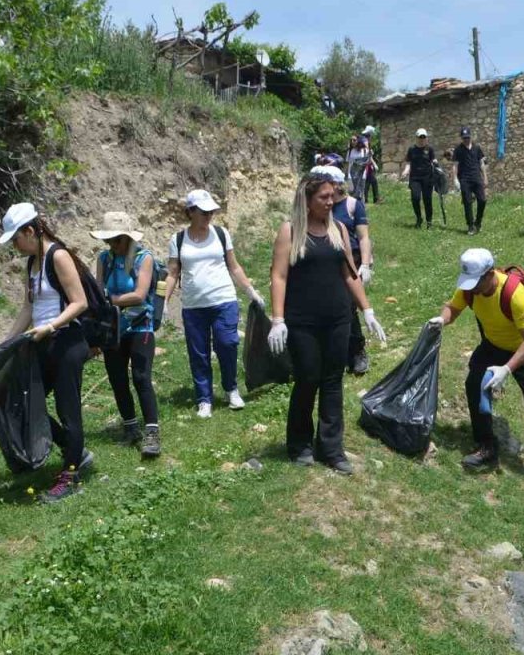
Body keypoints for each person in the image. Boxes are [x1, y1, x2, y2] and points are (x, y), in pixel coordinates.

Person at [268, 168, 387, 474]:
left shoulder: (339, 231)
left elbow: (349, 273)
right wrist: (278, 318)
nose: (330, 201)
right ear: (307, 200)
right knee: (308, 379)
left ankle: (331, 448)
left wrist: (367, 310)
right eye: (324, 196)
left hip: (337, 319)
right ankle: (300, 444)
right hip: (302, 321)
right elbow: (279, 276)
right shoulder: (290, 231)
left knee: (333, 381)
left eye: (333, 195)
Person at [427, 248, 524, 491]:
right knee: (474, 386)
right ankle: (486, 445)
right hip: (493, 345)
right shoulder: (470, 288)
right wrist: (442, 319)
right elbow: (453, 308)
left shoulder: (513, 293)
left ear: (490, 274)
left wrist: (506, 369)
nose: (472, 288)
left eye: (477, 282)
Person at [0, 202, 94, 503]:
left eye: (16, 238)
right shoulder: (31, 263)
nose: (15, 245)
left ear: (30, 230)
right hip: (41, 342)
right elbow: (29, 307)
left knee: (69, 411)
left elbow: (79, 303)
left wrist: (51, 326)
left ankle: (70, 475)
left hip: (67, 342)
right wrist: (6, 344)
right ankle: (74, 449)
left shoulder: (59, 255)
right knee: (27, 404)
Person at [163, 190, 263, 419]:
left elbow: (234, 266)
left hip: (223, 299)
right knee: (198, 353)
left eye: (211, 211)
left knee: (227, 343)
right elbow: (172, 273)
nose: (209, 215)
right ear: (190, 212)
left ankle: (231, 389)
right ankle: (204, 398)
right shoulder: (178, 240)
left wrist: (250, 290)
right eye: (203, 211)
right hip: (193, 306)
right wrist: (164, 303)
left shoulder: (221, 233)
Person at [92, 212, 161, 458]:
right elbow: (97, 288)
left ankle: (152, 433)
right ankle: (130, 427)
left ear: (128, 239)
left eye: (117, 240)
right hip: (114, 328)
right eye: (109, 241)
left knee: (142, 377)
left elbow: (140, 295)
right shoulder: (104, 259)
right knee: (117, 379)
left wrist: (109, 300)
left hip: (141, 327)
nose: (112, 245)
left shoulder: (144, 258)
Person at [325, 166, 375, 375]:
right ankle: (337, 351)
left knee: (348, 307)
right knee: (331, 308)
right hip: (328, 261)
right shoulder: (320, 205)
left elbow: (363, 237)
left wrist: (365, 264)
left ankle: (357, 351)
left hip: (351, 260)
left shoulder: (353, 205)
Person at [451, 127, 488, 235]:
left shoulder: (477, 148)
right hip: (465, 179)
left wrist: (485, 177)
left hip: (476, 177)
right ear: (461, 138)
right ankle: (470, 226)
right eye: (464, 138)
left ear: (470, 136)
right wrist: (455, 179)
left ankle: (478, 222)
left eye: (467, 137)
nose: (466, 140)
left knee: (482, 200)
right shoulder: (458, 150)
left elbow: (482, 164)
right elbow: (455, 165)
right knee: (467, 202)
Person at [402, 128, 438, 229]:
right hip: (415, 178)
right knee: (415, 198)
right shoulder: (412, 149)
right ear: (416, 138)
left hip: (427, 178)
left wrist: (435, 162)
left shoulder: (429, 149)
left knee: (427, 200)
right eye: (420, 137)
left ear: (426, 138)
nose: (422, 139)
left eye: (424, 137)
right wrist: (406, 171)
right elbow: (408, 163)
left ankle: (429, 222)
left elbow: (433, 159)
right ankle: (419, 218)